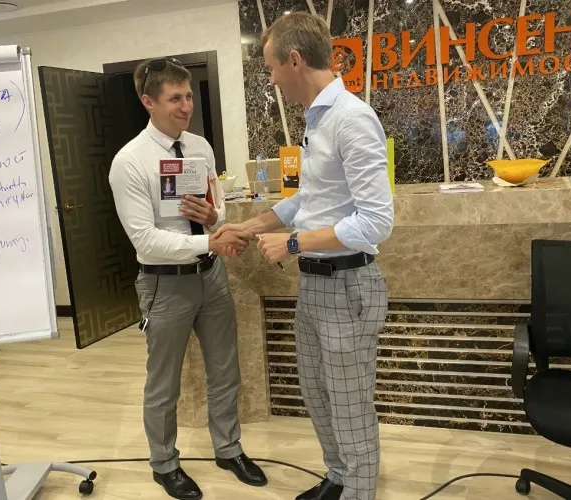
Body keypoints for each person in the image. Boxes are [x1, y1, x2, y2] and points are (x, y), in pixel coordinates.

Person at [216, 12, 394, 500]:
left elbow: (376, 222)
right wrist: (251, 226)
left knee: (350, 405)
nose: (272, 79)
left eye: (272, 67)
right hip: (316, 285)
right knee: (318, 394)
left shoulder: (352, 119)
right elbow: (308, 202)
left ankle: (358, 491)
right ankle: (338, 477)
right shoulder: (317, 120)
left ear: (294, 60)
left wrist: (293, 243)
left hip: (348, 284)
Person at [108, 56, 267, 500]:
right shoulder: (129, 162)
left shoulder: (200, 148)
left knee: (225, 369)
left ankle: (228, 449)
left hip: (211, 276)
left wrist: (215, 218)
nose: (186, 107)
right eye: (175, 98)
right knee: (164, 382)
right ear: (148, 102)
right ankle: (164, 464)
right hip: (165, 284)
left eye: (189, 96)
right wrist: (208, 241)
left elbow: (219, 208)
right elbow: (144, 239)